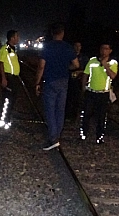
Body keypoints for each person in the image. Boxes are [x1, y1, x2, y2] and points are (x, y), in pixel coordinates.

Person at [34, 23, 79, 151]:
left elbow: (41, 66)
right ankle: (57, 135)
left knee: (50, 109)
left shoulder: (47, 47)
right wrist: (66, 68)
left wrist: (37, 82)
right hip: (64, 81)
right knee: (60, 110)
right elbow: (76, 65)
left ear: (52, 34)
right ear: (62, 33)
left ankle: (53, 138)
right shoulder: (68, 47)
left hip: (50, 81)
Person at [80, 43, 118, 144]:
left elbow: (113, 76)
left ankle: (99, 137)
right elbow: (85, 74)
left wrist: (105, 65)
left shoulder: (113, 63)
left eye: (106, 49)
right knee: (86, 114)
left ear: (110, 51)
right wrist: (83, 87)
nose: (104, 51)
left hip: (103, 94)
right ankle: (83, 133)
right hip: (91, 92)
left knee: (101, 116)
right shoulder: (93, 60)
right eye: (102, 48)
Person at [0, 30, 23, 130]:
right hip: (8, 78)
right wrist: (3, 78)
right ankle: (3, 120)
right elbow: (0, 64)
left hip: (14, 78)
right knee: (7, 100)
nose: (18, 38)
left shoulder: (13, 49)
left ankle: (8, 119)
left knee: (12, 99)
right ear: (12, 38)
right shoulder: (5, 49)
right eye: (17, 36)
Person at [66, 41, 89, 123]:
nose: (77, 48)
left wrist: (80, 72)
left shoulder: (84, 58)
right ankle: (67, 115)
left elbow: (87, 70)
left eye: (79, 46)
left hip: (79, 81)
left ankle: (74, 116)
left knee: (76, 99)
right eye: (76, 46)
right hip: (68, 80)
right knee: (68, 99)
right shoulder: (69, 56)